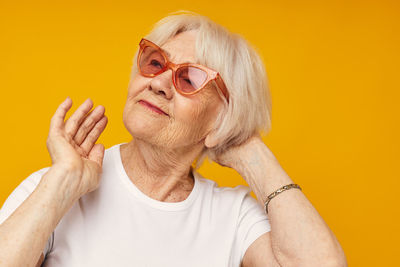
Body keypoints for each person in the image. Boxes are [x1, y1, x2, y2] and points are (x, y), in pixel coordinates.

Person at [0, 12, 347, 267]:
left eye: (189, 79)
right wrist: (60, 183)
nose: (158, 82)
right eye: (155, 62)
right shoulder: (58, 186)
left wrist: (251, 153)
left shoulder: (232, 216)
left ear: (221, 118)